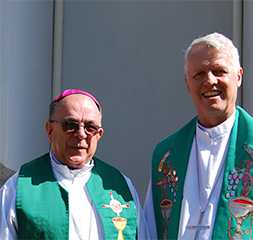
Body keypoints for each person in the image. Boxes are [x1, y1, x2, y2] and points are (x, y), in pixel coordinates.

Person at [144, 33, 253, 240]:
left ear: (239, 77)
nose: (210, 81)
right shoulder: (167, 154)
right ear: (188, 84)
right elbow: (151, 232)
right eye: (199, 74)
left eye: (219, 71)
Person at [0, 89, 151, 240]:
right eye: (70, 124)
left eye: (90, 127)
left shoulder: (121, 188)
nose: (81, 134)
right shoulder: (17, 188)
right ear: (50, 130)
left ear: (99, 135)